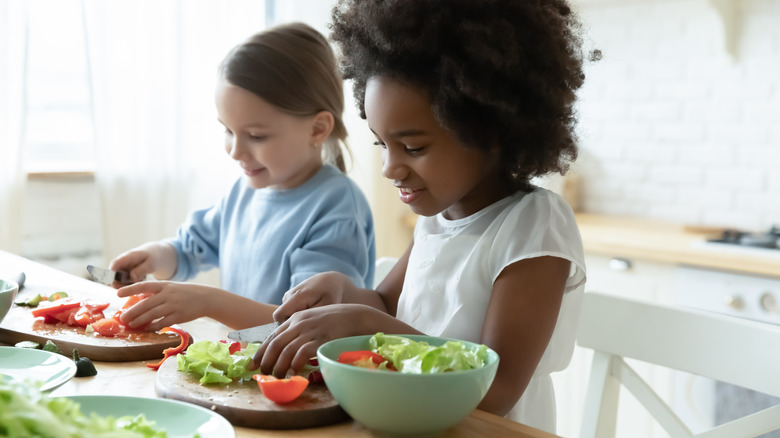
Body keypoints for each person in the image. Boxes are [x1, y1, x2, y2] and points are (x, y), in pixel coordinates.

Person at [250, 1, 589, 434]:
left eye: (412, 148)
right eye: (381, 145)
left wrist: (370, 326)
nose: (391, 168)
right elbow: (387, 306)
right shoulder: (438, 216)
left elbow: (497, 390)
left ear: (492, 131)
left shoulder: (532, 224)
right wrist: (346, 293)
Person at [111, 22, 376, 331]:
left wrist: (208, 302)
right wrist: (154, 256)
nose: (235, 151)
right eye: (228, 130)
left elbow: (309, 325)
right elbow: (188, 249)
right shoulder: (243, 191)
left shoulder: (336, 207)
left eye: (255, 135)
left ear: (317, 129)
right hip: (242, 369)